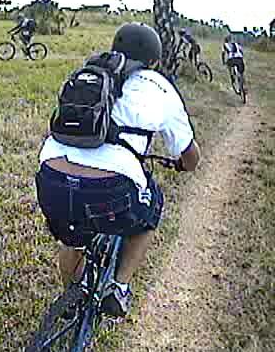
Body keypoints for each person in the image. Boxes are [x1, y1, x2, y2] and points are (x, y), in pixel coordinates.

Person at [35, 22, 201, 318]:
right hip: (111, 189)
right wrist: (184, 164)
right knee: (150, 211)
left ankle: (72, 294)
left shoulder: (91, 74)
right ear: (154, 61)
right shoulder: (159, 85)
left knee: (72, 236)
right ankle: (119, 287)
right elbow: (188, 154)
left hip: (51, 178)